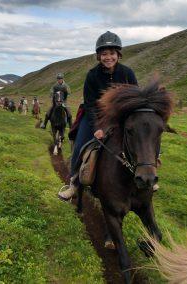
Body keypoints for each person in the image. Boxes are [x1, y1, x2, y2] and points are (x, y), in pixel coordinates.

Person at [58, 31, 138, 201]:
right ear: (99, 56)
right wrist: (98, 127)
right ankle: (74, 183)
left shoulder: (127, 73)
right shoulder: (92, 75)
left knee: (141, 139)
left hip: (120, 116)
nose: (108, 57)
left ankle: (146, 176)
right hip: (95, 115)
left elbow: (135, 98)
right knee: (80, 145)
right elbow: (89, 104)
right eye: (104, 54)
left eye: (112, 53)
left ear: (118, 54)